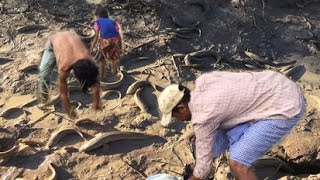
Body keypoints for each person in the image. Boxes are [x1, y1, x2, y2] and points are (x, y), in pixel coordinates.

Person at [157, 70, 305, 180]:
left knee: (237, 162)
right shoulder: (205, 82)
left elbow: (203, 169)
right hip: (278, 84)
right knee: (216, 141)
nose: (178, 120)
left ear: (182, 107)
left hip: (286, 106)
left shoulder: (203, 118)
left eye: (175, 115)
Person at [38, 31, 102, 119]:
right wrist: (71, 113)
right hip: (54, 42)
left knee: (90, 77)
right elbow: (63, 94)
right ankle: (43, 98)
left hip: (71, 36)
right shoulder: (64, 66)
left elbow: (95, 80)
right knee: (44, 74)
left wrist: (96, 103)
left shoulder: (88, 59)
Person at [90, 6, 123, 79]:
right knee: (114, 58)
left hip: (105, 41)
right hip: (115, 40)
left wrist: (91, 48)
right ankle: (115, 73)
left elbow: (96, 37)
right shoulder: (113, 22)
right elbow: (119, 35)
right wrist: (120, 48)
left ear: (97, 15)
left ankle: (101, 77)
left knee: (101, 60)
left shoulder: (97, 22)